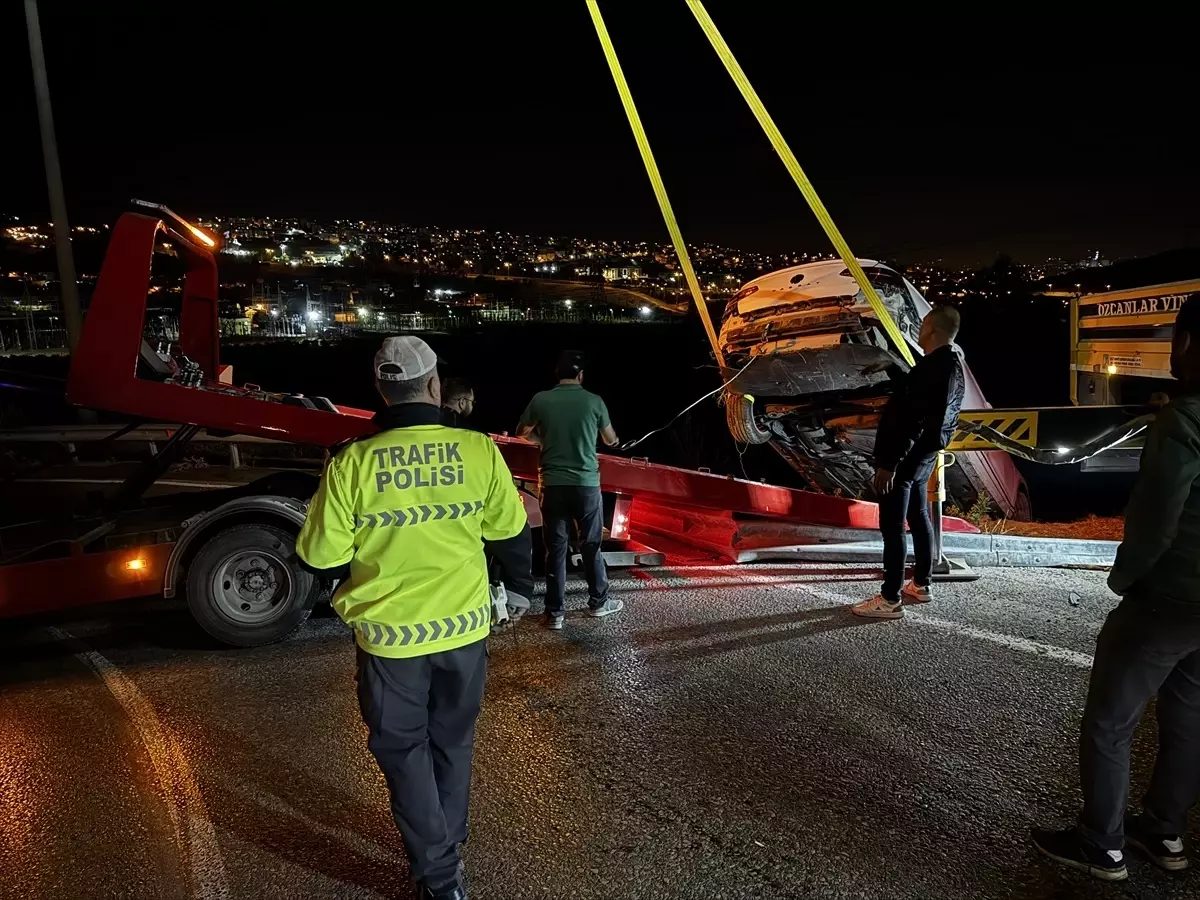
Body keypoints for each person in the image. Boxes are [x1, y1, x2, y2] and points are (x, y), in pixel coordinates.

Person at [297, 336, 533, 900]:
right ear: (433, 385)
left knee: (404, 752)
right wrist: (521, 589)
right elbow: (510, 531)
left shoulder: (353, 460)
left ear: (381, 390)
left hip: (390, 638)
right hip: (464, 629)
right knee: (453, 739)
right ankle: (448, 841)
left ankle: (439, 874)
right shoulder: (478, 449)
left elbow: (319, 556)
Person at [1033, 296, 1200, 882]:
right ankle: (1165, 832)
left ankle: (1102, 844)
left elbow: (1157, 517)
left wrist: (1128, 577)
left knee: (1110, 722)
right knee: (1188, 719)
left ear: (1188, 344)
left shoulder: (1183, 424)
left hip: (1170, 596)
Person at [852, 305, 965, 620]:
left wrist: (889, 463)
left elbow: (910, 420)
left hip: (903, 458)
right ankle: (921, 584)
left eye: (923, 323)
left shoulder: (933, 368)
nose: (919, 327)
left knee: (893, 527)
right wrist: (892, 368)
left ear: (932, 328)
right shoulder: (951, 366)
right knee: (918, 517)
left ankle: (890, 599)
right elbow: (924, 402)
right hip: (924, 456)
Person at [517, 350, 622, 630]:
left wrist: (543, 440)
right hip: (585, 484)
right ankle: (598, 603)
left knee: (555, 549)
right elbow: (610, 438)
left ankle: (555, 614)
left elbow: (522, 432)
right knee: (591, 544)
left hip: (552, 484)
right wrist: (615, 440)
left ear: (558, 374)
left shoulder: (541, 399)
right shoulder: (594, 401)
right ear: (581, 375)